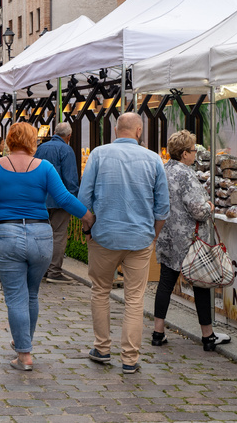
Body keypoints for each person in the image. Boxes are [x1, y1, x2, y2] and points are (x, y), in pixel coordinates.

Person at [0, 122, 94, 370]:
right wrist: (88, 218)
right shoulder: (45, 168)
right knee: (31, 294)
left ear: (9, 140)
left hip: (7, 234)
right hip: (41, 235)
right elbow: (63, 199)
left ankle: (24, 354)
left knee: (15, 297)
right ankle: (23, 342)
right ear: (33, 142)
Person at [78, 112, 170, 375]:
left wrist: (88, 228)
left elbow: (83, 199)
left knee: (100, 291)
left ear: (116, 130)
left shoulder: (98, 154)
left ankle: (102, 348)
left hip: (104, 235)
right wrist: (152, 236)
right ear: (139, 131)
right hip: (139, 239)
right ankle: (130, 358)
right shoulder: (154, 159)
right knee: (134, 299)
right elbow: (163, 208)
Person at [153, 130, 230, 351]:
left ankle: (158, 332)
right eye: (194, 150)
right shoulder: (186, 174)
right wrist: (210, 207)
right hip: (189, 241)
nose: (195, 153)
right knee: (201, 284)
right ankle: (208, 336)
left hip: (167, 235)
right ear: (185, 153)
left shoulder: (163, 169)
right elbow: (198, 210)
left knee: (165, 284)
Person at [34, 122, 80, 284]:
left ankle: (44, 269)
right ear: (68, 136)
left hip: (41, 199)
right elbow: (70, 178)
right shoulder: (66, 149)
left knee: (44, 235)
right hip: (59, 200)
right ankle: (54, 271)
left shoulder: (41, 148)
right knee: (59, 235)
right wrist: (73, 201)